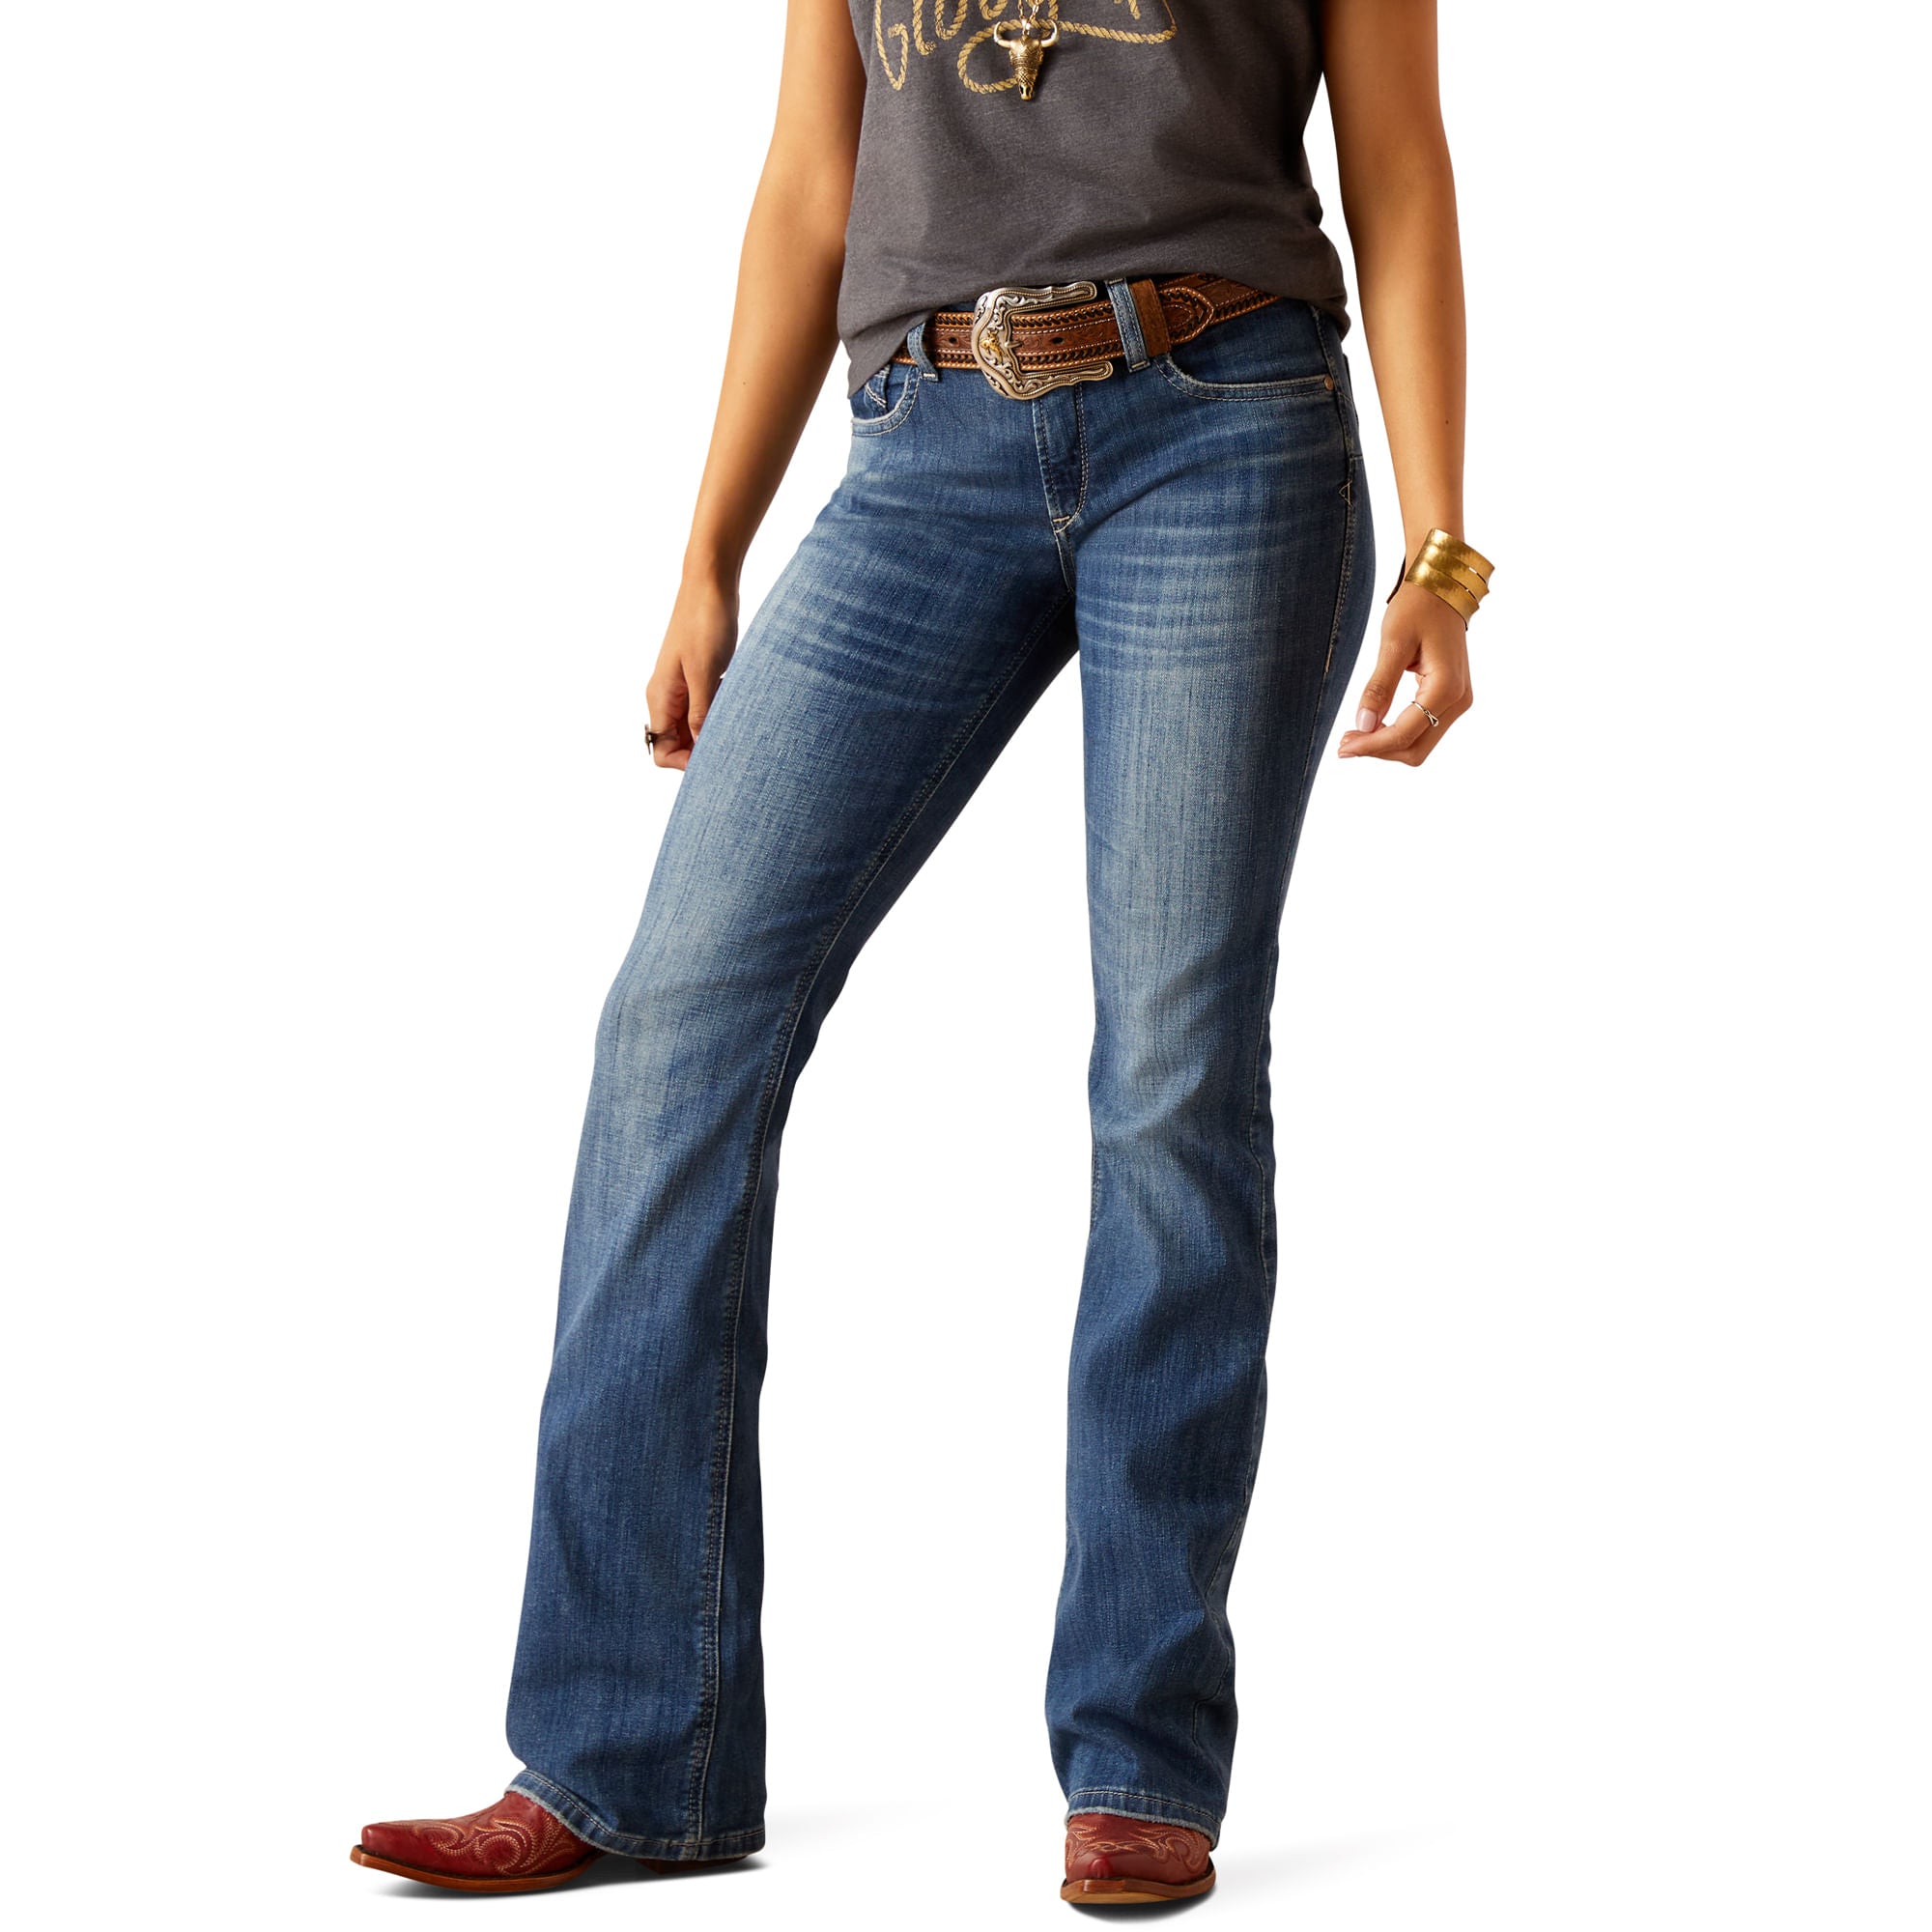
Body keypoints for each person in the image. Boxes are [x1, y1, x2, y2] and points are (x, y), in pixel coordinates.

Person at [352, 0, 1492, 1904]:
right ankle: (628, 1755)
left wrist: (1443, 554)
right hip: (919, 451)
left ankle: (1138, 1757)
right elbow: (816, 178)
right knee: (675, 1028)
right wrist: (709, 547)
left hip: (1222, 428)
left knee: (1169, 1079)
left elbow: (1397, 157)